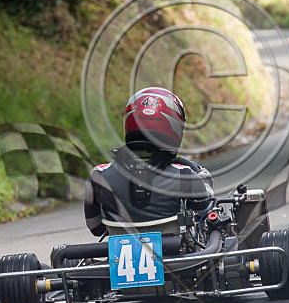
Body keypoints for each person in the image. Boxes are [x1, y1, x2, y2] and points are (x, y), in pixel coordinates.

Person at [84, 87, 214, 236]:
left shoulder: (99, 176)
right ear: (173, 126)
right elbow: (203, 211)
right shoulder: (184, 175)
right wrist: (203, 176)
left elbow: (96, 228)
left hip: (120, 257)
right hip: (176, 256)